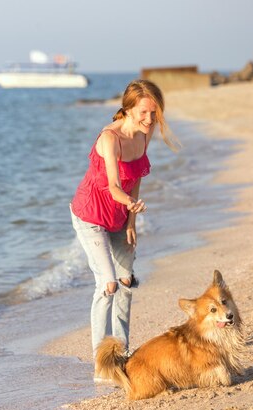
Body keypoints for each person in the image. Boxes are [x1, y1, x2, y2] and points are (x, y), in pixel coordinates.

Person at [70, 79, 180, 380]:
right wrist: (131, 204)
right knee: (108, 285)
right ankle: (101, 364)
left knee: (126, 282)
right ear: (128, 108)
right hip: (90, 215)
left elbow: (138, 174)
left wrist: (132, 220)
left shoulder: (145, 135)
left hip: (121, 217)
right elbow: (114, 187)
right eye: (144, 112)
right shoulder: (110, 139)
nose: (150, 119)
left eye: (154, 113)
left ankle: (122, 355)